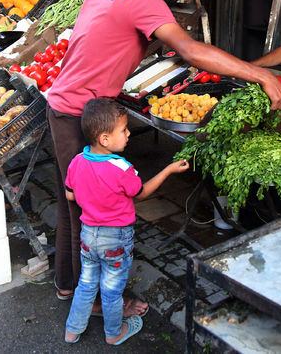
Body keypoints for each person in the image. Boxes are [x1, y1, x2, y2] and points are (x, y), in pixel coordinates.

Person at [46, 0, 281, 314]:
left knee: (71, 202)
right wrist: (260, 74)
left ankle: (66, 285)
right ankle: (96, 302)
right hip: (83, 113)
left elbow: (110, 33)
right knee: (96, 216)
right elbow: (191, 50)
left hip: (64, 103)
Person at [63, 98, 189, 345]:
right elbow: (140, 193)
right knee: (111, 291)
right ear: (104, 139)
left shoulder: (77, 161)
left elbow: (70, 194)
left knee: (86, 285)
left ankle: (72, 329)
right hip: (116, 239)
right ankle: (114, 333)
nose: (129, 133)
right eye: (123, 130)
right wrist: (167, 171)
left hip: (89, 235)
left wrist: (91, 194)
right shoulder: (122, 168)